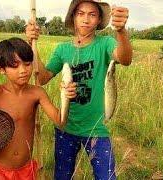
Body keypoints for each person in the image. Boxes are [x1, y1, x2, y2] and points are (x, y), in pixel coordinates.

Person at [26, 0, 132, 179]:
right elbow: (42, 78)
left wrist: (121, 31)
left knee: (106, 176)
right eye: (81, 14)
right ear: (73, 17)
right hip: (65, 128)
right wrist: (31, 43)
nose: (86, 19)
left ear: (99, 20)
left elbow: (125, 58)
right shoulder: (62, 49)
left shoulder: (105, 43)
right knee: (62, 176)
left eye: (92, 15)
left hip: (96, 129)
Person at [0, 37, 75, 180]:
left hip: (26, 170)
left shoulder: (37, 93)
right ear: (1, 69)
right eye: (14, 66)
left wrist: (66, 96)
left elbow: (60, 120)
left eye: (27, 64)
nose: (23, 70)